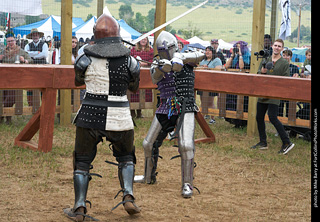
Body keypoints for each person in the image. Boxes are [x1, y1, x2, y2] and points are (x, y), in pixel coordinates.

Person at [63, 14, 141, 221]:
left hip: (90, 115)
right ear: (118, 35)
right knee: (126, 158)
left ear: (95, 36)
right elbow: (133, 87)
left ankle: (79, 207)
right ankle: (128, 195)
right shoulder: (131, 61)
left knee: (81, 162)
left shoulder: (84, 58)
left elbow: (78, 82)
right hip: (121, 116)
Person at [134, 31, 204, 198]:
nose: (167, 52)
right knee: (148, 144)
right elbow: (155, 78)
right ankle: (148, 176)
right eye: (162, 50)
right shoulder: (157, 63)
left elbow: (200, 54)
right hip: (165, 107)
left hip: (185, 106)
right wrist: (161, 68)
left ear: (175, 45)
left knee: (186, 145)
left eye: (169, 49)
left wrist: (182, 58)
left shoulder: (186, 56)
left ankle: (187, 184)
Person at [251, 39, 294, 155]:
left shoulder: (284, 63)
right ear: (272, 46)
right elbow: (259, 75)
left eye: (279, 46)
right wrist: (263, 72)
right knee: (259, 117)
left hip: (275, 94)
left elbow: (286, 79)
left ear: (282, 49)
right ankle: (263, 142)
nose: (276, 47)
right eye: (275, 45)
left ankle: (286, 142)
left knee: (272, 117)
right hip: (263, 92)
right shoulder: (265, 59)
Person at [0, 32, 32, 124]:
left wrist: (24, 60)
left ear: (15, 41)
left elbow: (30, 60)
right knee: (3, 97)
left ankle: (5, 116)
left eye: (12, 41)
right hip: (4, 79)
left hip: (16, 79)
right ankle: (5, 117)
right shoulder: (3, 52)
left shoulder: (21, 51)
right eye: (8, 41)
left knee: (11, 98)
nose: (10, 43)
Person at [129, 36, 154, 118]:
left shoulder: (150, 50)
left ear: (147, 41)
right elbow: (130, 59)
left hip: (145, 74)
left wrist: (144, 64)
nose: (143, 41)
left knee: (144, 92)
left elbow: (152, 61)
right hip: (135, 73)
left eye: (145, 39)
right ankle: (132, 112)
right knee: (134, 92)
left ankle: (139, 113)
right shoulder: (133, 49)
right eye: (142, 39)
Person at [198, 46, 223, 124]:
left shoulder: (217, 60)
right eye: (206, 50)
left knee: (210, 102)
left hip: (212, 83)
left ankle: (212, 118)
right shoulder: (203, 60)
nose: (207, 52)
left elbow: (218, 70)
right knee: (203, 101)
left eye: (209, 51)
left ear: (213, 52)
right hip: (202, 83)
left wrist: (208, 68)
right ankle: (203, 117)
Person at [24, 28, 49, 106]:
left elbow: (44, 54)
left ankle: (43, 104)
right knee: (30, 86)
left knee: (42, 86)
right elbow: (26, 54)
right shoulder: (27, 45)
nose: (35, 36)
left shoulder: (44, 44)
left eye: (36, 34)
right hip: (31, 69)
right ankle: (31, 105)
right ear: (31, 36)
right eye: (33, 35)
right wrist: (37, 53)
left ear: (39, 36)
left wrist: (33, 56)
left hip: (42, 68)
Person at [278, 49, 299, 117]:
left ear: (291, 57)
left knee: (289, 107)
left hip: (290, 90)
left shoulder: (294, 67)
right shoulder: (279, 66)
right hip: (281, 89)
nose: (285, 57)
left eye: (287, 56)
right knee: (279, 107)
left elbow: (295, 76)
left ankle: (288, 125)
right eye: (284, 55)